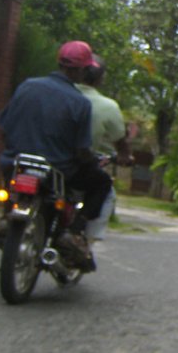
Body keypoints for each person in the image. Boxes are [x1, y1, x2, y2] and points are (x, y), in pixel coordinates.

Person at [0, 41, 112, 270]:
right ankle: (74, 232)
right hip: (56, 171)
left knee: (11, 182)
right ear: (83, 70)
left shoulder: (27, 86)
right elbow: (81, 150)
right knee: (102, 182)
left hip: (15, 162)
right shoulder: (80, 104)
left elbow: (4, 128)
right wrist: (92, 160)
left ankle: (7, 216)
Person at [76, 54, 134, 241]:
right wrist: (125, 155)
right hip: (73, 166)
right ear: (101, 79)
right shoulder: (107, 106)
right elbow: (121, 142)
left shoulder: (56, 93)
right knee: (105, 188)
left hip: (36, 156)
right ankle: (84, 238)